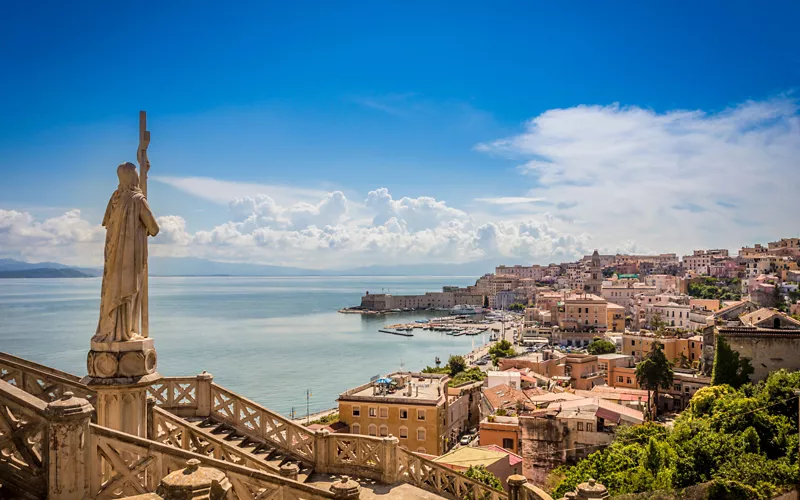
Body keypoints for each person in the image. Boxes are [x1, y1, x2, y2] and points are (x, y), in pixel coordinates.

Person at [94, 162, 159, 343]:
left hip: (114, 257)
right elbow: (154, 228)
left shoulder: (115, 198)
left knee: (115, 291)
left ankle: (115, 330)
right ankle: (127, 332)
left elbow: (108, 224)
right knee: (129, 290)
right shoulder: (137, 200)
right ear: (133, 176)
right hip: (131, 256)